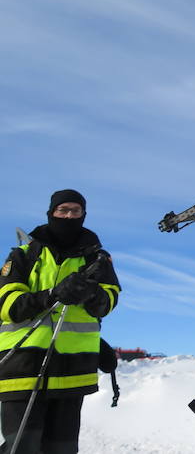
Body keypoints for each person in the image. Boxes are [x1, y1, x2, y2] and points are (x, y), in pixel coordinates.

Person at [0, 189, 121, 453]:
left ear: (83, 215)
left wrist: (90, 292)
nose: (68, 215)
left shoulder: (97, 259)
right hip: (21, 368)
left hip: (72, 373)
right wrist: (52, 295)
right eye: (63, 210)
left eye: (75, 211)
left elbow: (109, 302)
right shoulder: (23, 255)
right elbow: (7, 305)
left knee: (61, 450)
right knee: (23, 446)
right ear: (51, 213)